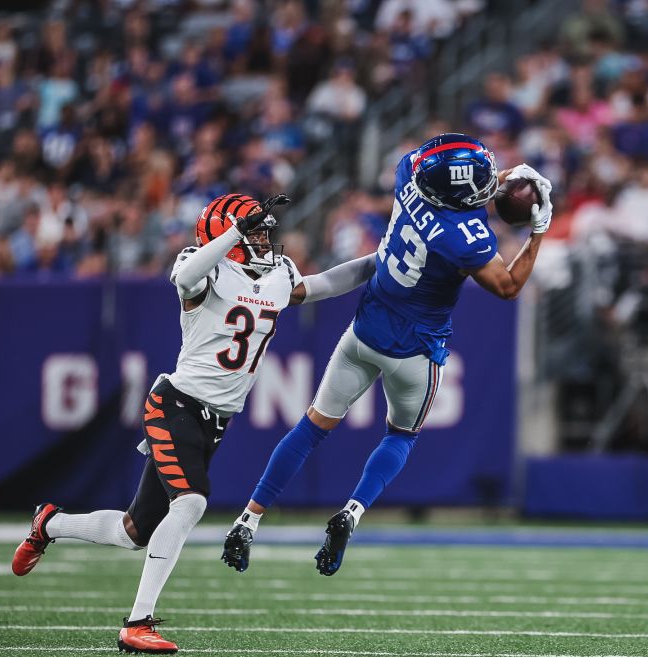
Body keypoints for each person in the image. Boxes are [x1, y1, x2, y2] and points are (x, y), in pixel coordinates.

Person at [9, 193, 377, 654]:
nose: (264, 241)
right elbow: (184, 276)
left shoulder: (277, 277)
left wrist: (382, 258)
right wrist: (235, 232)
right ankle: (136, 623)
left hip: (214, 421)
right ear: (229, 233)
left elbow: (324, 283)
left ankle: (49, 524)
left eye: (264, 233)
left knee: (133, 531)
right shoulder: (205, 266)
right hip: (175, 404)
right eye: (255, 232)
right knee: (191, 502)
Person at [221, 133, 552, 576]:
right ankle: (352, 512)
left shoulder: (407, 175)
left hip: (366, 329)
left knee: (311, 426)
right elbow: (507, 286)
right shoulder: (466, 236)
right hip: (416, 350)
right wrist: (538, 232)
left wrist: (509, 176)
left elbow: (461, 184)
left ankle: (249, 518)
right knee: (401, 435)